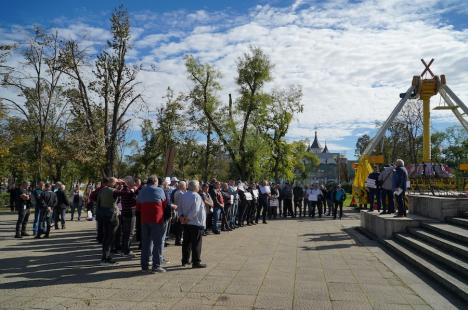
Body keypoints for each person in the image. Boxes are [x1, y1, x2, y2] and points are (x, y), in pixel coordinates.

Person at [136, 175, 167, 273]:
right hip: (157, 220)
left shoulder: (142, 191)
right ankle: (156, 266)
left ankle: (144, 266)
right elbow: (165, 204)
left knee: (145, 243)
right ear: (155, 181)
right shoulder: (159, 190)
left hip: (145, 219)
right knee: (157, 243)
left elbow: (138, 206)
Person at [179, 180, 207, 269]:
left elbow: (180, 208)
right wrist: (187, 218)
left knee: (186, 242)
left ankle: (185, 260)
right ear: (195, 187)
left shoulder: (184, 195)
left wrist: (182, 217)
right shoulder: (196, 196)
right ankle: (196, 262)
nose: (199, 187)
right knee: (196, 243)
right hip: (195, 223)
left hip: (186, 222)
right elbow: (195, 210)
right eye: (198, 186)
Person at [96, 177, 119, 265]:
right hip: (111, 216)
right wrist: (123, 185)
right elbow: (125, 193)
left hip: (103, 216)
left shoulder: (101, 190)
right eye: (116, 182)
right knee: (110, 237)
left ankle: (105, 257)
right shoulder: (113, 191)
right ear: (113, 183)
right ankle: (105, 258)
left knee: (106, 237)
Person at [113, 176, 137, 257]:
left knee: (126, 233)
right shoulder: (127, 191)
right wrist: (132, 190)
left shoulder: (124, 190)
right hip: (130, 213)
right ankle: (126, 251)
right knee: (130, 233)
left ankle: (124, 250)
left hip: (125, 213)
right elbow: (134, 199)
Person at [172, 181, 186, 245]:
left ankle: (178, 240)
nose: (186, 187)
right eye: (185, 185)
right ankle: (178, 240)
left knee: (179, 227)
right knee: (180, 227)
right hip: (180, 212)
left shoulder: (177, 192)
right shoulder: (181, 193)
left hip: (177, 211)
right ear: (182, 186)